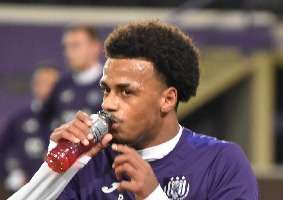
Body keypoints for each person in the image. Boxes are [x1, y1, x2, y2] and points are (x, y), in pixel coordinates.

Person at [8, 20, 258, 200]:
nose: (108, 103)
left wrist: (152, 196)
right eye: (107, 90)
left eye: (126, 92)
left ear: (168, 100)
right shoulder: (89, 163)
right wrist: (54, 172)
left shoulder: (221, 163)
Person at [0, 66, 59, 193]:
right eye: (42, 83)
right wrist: (11, 176)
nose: (47, 88)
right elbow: (3, 152)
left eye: (52, 84)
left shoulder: (67, 118)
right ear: (34, 86)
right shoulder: (18, 120)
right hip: (25, 191)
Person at [43, 25, 103, 128]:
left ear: (95, 47)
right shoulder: (60, 86)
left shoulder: (110, 84)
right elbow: (45, 123)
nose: (69, 52)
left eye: (75, 45)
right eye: (66, 46)